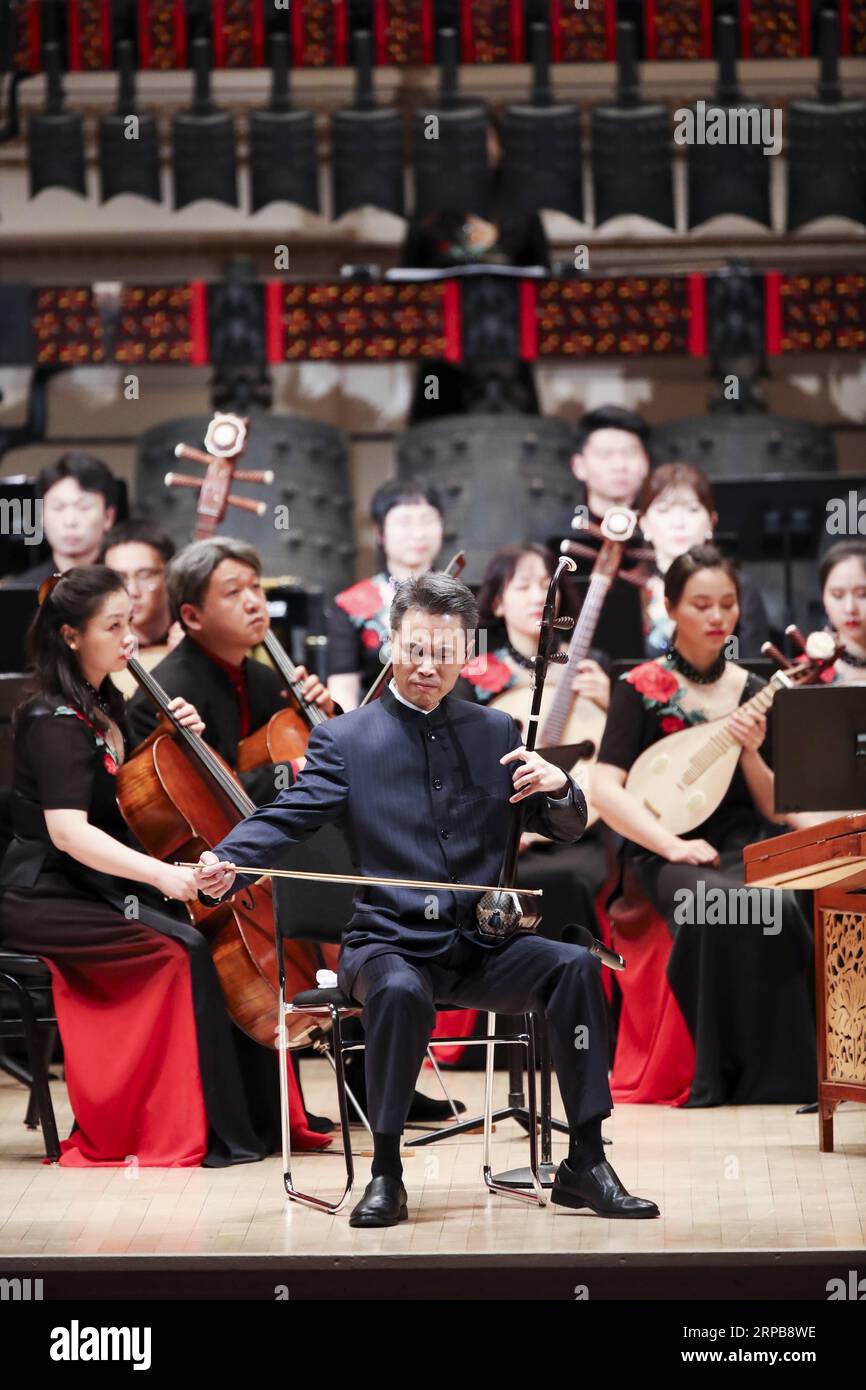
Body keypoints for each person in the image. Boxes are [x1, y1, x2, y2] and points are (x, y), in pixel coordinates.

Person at [195, 572, 660, 1227]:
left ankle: (586, 1159)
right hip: (387, 945)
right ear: (391, 643)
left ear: (467, 655)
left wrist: (560, 787)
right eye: (416, 648)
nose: (428, 667)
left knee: (574, 965)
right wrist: (230, 862)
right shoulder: (344, 741)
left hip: (482, 947)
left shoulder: (496, 732)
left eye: (446, 653)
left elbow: (566, 826)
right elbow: (289, 815)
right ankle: (387, 1171)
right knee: (399, 992)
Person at [127, 537, 461, 1127]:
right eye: (234, 593)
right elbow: (205, 795)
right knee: (347, 896)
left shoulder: (258, 680)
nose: (256, 602)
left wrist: (325, 716)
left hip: (273, 852)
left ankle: (379, 1084)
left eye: (257, 588)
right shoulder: (167, 691)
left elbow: (327, 774)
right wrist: (289, 767)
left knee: (368, 895)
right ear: (191, 616)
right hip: (212, 866)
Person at [0, 565, 322, 1165]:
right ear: (71, 636)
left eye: (131, 621)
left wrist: (168, 743)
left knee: (202, 936)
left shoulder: (105, 704)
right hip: (44, 894)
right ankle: (196, 1128)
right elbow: (69, 833)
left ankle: (252, 1120)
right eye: (112, 626)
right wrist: (163, 877)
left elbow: (129, 797)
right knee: (180, 950)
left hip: (93, 884)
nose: (129, 638)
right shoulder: (52, 720)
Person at [591, 544, 817, 1107]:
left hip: (742, 839)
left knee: (783, 902)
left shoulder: (750, 687)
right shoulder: (639, 687)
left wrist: (748, 754)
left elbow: (771, 804)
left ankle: (784, 1076)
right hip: (662, 849)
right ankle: (721, 1073)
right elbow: (604, 788)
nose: (718, 617)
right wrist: (672, 844)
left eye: (727, 604)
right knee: (712, 907)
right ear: (670, 607)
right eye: (701, 605)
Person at [457, 543, 610, 946]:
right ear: (498, 602)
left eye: (546, 585)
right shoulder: (474, 672)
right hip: (502, 831)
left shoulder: (590, 664)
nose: (537, 596)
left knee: (573, 878)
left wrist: (611, 700)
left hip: (580, 827)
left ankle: (577, 990)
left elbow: (621, 754)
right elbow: (459, 760)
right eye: (522, 586)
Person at [327, 478, 445, 711]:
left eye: (428, 520)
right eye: (404, 523)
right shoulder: (351, 605)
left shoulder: (464, 598)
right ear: (379, 532)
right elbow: (343, 687)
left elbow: (476, 670)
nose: (418, 533)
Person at [638, 462, 770, 658]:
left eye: (692, 510)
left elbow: (753, 666)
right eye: (664, 510)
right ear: (644, 523)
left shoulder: (740, 586)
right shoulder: (629, 587)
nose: (678, 523)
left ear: (711, 521)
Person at [2, 453, 118, 590]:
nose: (70, 521)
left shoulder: (126, 586)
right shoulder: (19, 591)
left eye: (84, 507)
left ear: (108, 517)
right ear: (41, 516)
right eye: (58, 507)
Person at [100, 519, 181, 697]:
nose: (132, 591)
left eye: (145, 575)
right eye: (119, 578)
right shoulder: (96, 650)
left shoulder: (196, 633)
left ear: (170, 575)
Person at [817, 540, 866, 685]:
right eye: (837, 595)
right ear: (823, 598)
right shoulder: (808, 669)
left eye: (863, 594)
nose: (850, 608)